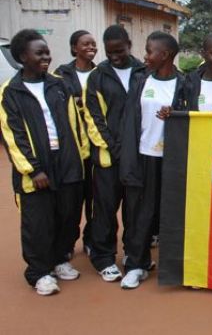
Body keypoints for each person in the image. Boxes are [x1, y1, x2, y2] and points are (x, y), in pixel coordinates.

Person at [0, 29, 88, 295]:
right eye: (39, 53)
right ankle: (39, 272)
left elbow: (75, 123)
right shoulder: (10, 92)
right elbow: (12, 136)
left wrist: (80, 156)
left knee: (68, 215)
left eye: (47, 52)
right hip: (36, 166)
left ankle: (60, 259)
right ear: (21, 57)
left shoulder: (59, 84)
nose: (46, 57)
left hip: (67, 161)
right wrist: (33, 169)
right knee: (38, 221)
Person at [118, 31, 185, 289]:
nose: (145, 56)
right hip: (144, 157)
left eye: (149, 51)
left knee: (171, 215)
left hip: (173, 162)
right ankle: (137, 264)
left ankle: (174, 267)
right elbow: (129, 121)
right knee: (139, 214)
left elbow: (193, 118)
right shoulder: (140, 81)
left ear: (165, 55)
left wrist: (176, 113)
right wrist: (127, 157)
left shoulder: (186, 83)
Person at [83, 24, 145, 282]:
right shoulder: (97, 76)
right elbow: (93, 118)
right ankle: (103, 257)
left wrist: (134, 149)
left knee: (135, 210)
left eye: (119, 51)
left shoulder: (144, 71)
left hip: (138, 157)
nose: (114, 57)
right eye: (109, 53)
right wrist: (115, 147)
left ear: (129, 45)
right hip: (109, 158)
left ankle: (134, 257)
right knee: (105, 210)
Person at [54, 30, 97, 257]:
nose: (91, 47)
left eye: (93, 44)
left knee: (94, 197)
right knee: (70, 199)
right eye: (85, 44)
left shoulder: (101, 73)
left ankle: (91, 239)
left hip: (96, 144)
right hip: (72, 147)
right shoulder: (60, 76)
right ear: (74, 48)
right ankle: (68, 242)